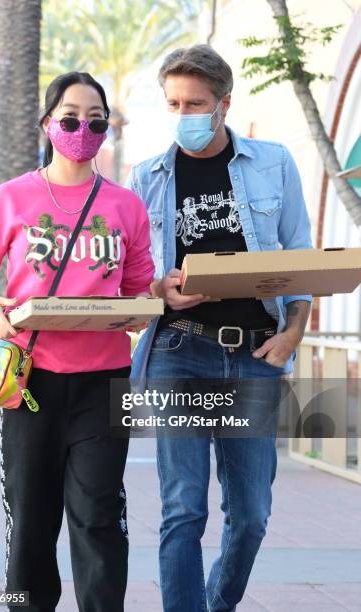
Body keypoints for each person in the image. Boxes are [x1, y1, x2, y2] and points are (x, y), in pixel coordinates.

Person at [0, 71, 154, 612]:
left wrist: (141, 310)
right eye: (70, 119)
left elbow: (138, 286)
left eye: (96, 120)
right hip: (31, 382)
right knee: (31, 520)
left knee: (99, 518)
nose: (82, 129)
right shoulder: (10, 199)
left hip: (105, 382)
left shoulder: (126, 207)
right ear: (47, 124)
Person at [126, 45, 313, 612]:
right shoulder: (148, 176)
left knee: (252, 513)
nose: (186, 114)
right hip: (179, 352)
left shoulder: (274, 162)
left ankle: (218, 602)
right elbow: (135, 278)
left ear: (224, 103)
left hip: (254, 356)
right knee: (184, 506)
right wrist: (160, 288)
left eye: (197, 103)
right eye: (175, 103)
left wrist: (292, 336)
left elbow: (301, 256)